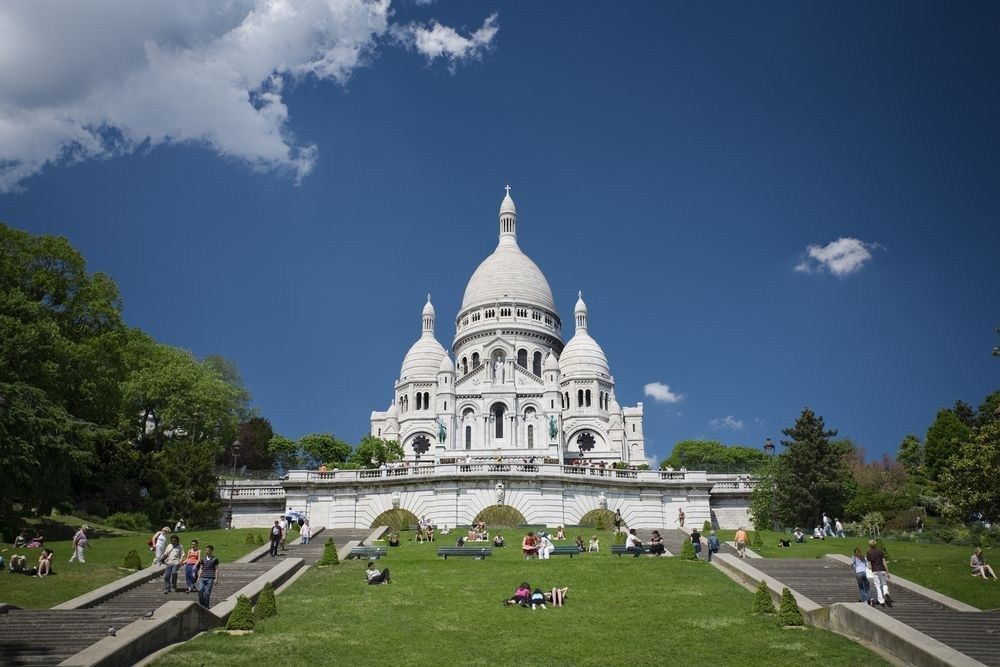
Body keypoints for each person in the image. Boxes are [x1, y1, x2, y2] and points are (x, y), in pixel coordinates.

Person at [866, 539, 891, 607]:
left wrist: (870, 570)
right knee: (884, 584)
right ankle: (886, 592)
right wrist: (887, 572)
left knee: (877, 586)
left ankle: (881, 600)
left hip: (875, 570)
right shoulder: (880, 552)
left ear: (869, 545)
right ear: (875, 544)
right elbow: (884, 562)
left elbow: (869, 564)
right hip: (882, 569)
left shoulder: (869, 553)